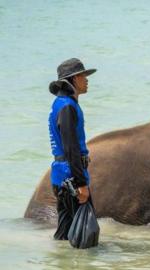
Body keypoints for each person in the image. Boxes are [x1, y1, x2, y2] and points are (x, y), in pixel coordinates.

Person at [48, 58, 96, 240]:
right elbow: (71, 148)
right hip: (71, 180)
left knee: (64, 236)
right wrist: (81, 184)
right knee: (87, 238)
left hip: (61, 177)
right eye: (84, 75)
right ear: (75, 79)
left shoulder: (61, 104)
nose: (87, 80)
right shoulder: (67, 107)